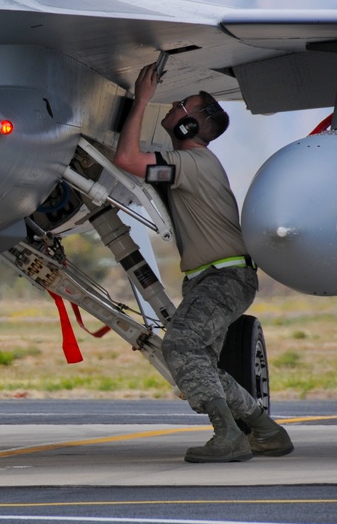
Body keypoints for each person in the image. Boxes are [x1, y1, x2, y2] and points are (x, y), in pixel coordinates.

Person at [113, 62, 293, 463]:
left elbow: (126, 159)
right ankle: (266, 431)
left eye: (180, 106)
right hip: (217, 278)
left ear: (188, 128)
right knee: (202, 361)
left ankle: (228, 435)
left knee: (180, 344)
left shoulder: (188, 165)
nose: (173, 108)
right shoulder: (191, 165)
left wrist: (142, 100)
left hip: (223, 277)